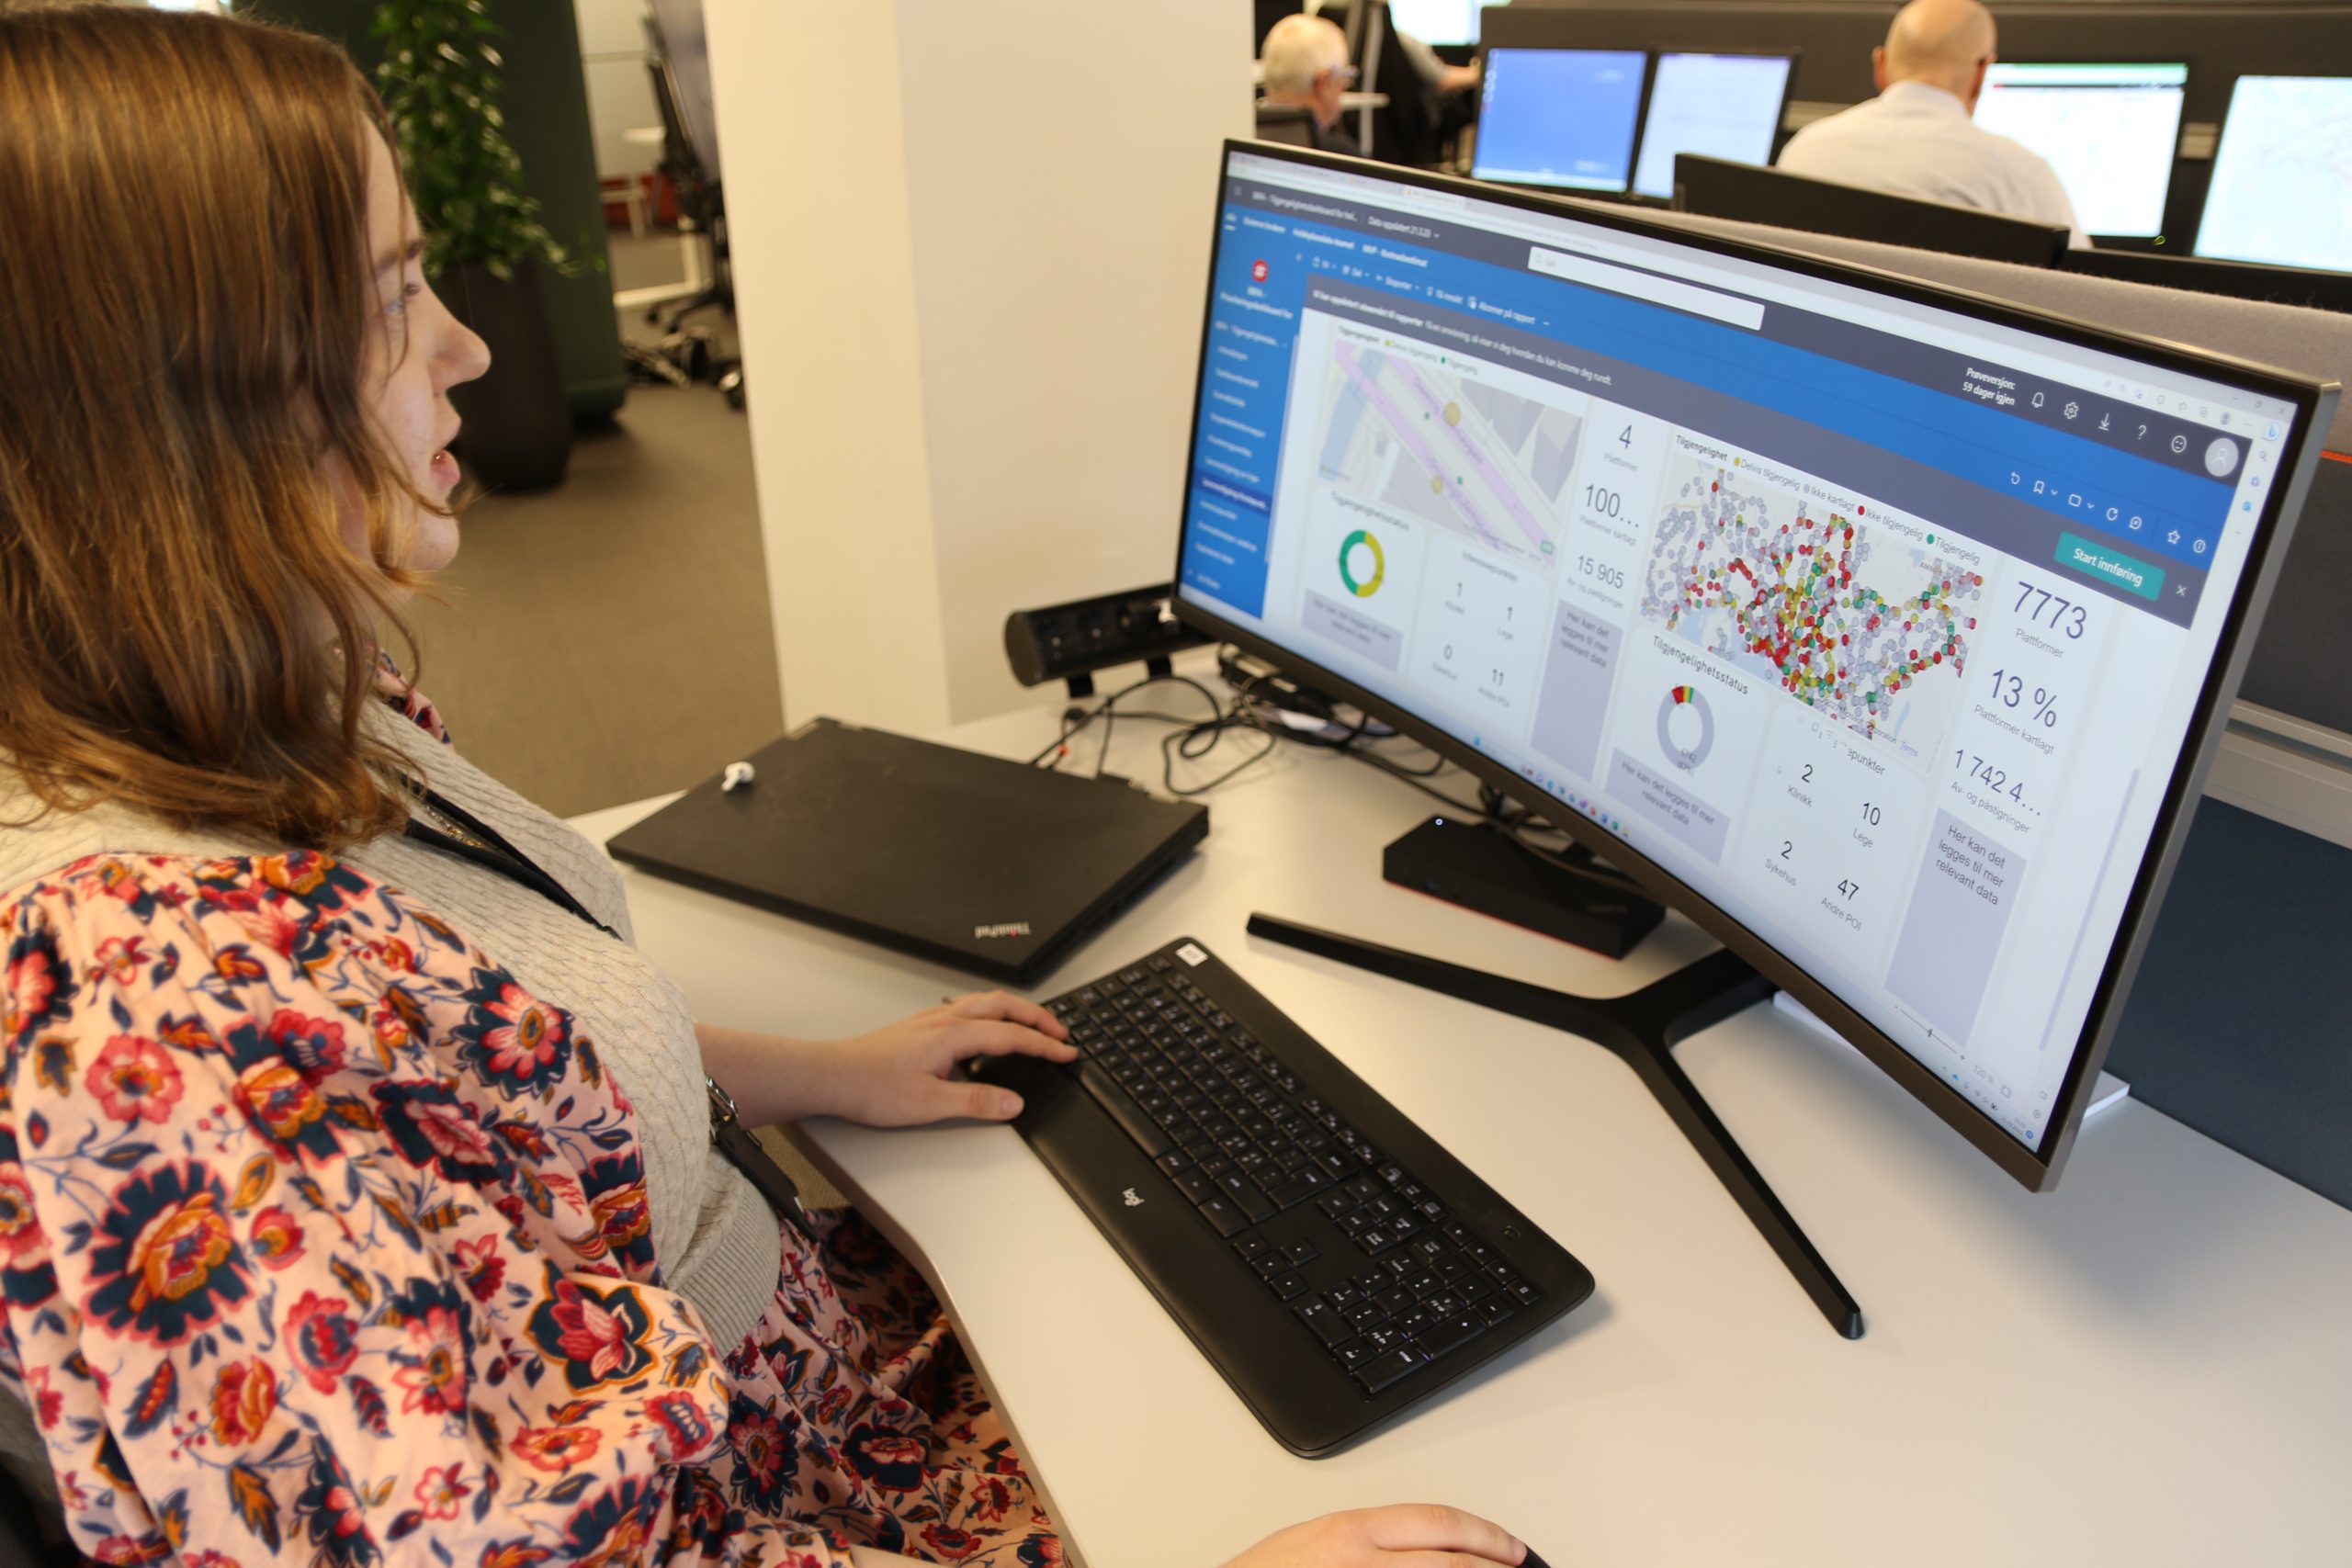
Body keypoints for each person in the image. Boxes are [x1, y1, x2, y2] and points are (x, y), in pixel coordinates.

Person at [0, 9, 1540, 1568]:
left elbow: (487, 1061)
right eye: (394, 302)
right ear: (180, 403)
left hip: (793, 1378)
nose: (466, 345)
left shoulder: (244, 700)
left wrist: (817, 1071)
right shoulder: (152, 1021)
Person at [1774, 0, 2090, 248]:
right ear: (1981, 73)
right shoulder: (2020, 174)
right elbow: (2083, 289)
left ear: (1881, 65)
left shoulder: (1804, 149)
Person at [1260, 13, 1363, 156]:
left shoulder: (1241, 133)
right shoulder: (1341, 156)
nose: (1343, 87)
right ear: (1324, 82)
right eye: (1343, 77)